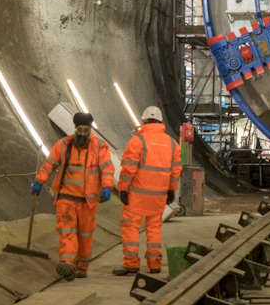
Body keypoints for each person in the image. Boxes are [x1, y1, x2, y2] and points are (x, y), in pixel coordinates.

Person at [32, 112, 113, 280]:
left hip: (87, 201)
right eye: (80, 130)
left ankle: (81, 266)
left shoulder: (99, 147)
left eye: (86, 130)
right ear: (75, 129)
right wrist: (39, 181)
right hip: (66, 199)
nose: (83, 133)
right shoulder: (63, 145)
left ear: (90, 130)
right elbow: (50, 165)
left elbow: (107, 169)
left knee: (85, 234)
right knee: (67, 231)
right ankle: (67, 262)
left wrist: (107, 186)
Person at [114, 106, 182, 275]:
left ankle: (131, 263)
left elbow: (129, 169)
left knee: (130, 227)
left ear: (144, 121)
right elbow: (175, 171)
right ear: (161, 121)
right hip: (158, 195)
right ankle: (154, 264)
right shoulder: (172, 144)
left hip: (138, 194)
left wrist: (123, 189)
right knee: (154, 228)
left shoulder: (138, 141)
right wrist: (171, 190)